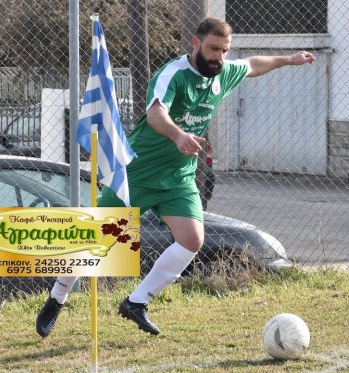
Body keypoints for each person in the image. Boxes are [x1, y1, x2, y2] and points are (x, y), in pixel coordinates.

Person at [36, 17, 316, 337]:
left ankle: (137, 302)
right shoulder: (173, 74)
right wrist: (178, 135)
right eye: (213, 49)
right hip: (139, 173)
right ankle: (57, 299)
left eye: (224, 51)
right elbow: (156, 112)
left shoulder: (222, 72)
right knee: (95, 238)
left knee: (192, 240)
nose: (219, 57)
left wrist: (288, 60)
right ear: (195, 43)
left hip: (179, 178)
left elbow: (252, 63)